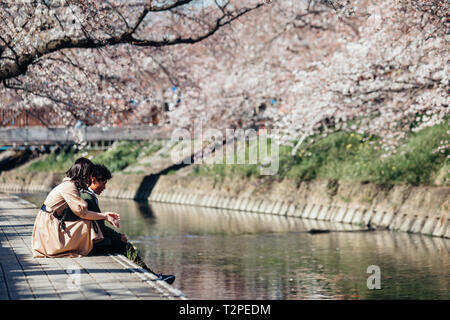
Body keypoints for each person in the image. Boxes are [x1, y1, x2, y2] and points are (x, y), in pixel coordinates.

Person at [69, 163, 176, 284]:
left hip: (83, 240)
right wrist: (119, 236)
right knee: (125, 246)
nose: (104, 187)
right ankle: (151, 277)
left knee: (120, 244)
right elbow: (100, 228)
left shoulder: (86, 195)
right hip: (88, 245)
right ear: (93, 180)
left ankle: (147, 274)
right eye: (104, 183)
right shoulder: (87, 198)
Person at [32, 157, 120, 258]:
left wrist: (104, 216)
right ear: (84, 174)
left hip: (47, 223)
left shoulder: (69, 185)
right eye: (89, 176)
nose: (90, 179)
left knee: (86, 223)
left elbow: (81, 212)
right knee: (87, 224)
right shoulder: (70, 187)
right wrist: (105, 216)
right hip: (48, 226)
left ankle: (90, 246)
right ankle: (91, 247)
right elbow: (83, 213)